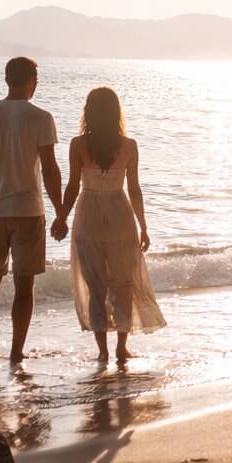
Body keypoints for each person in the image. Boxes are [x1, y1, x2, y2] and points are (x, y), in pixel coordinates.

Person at [57, 86, 165, 362]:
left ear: (88, 112)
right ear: (117, 112)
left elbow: (71, 187)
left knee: (96, 286)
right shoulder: (128, 146)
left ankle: (102, 351)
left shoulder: (78, 145)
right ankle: (121, 348)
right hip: (120, 215)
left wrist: (61, 216)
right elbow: (135, 189)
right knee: (123, 284)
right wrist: (143, 226)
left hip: (88, 215)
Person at [0, 56, 62, 364]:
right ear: (32, 80)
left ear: (7, 79)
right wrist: (61, 211)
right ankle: (15, 351)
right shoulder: (41, 117)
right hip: (28, 210)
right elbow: (49, 169)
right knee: (24, 284)